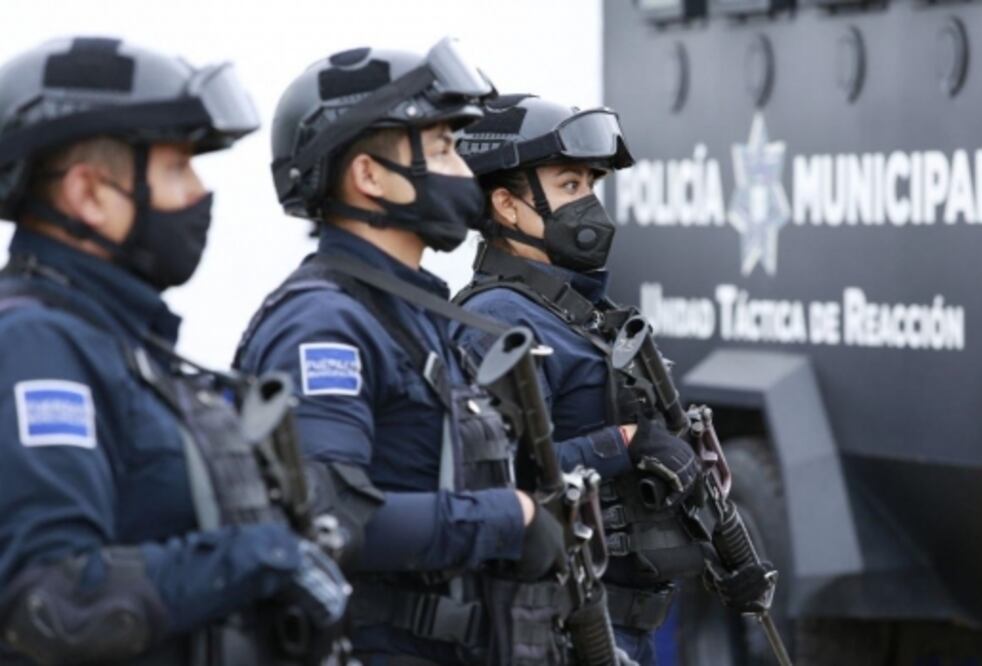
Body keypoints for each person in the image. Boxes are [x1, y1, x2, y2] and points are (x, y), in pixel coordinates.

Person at [235, 39, 626, 665]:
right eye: (442, 148)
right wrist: (511, 517)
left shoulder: (418, 314)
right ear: (368, 176)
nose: (461, 171)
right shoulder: (326, 325)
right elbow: (330, 519)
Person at [0, 37, 350, 665]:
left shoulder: (123, 342)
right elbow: (57, 606)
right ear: (88, 193)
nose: (198, 194)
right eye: (176, 169)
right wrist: (266, 555)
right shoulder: (37, 345)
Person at [453, 94, 776, 665]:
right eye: (569, 185)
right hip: (564, 626)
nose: (589, 204)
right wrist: (626, 444)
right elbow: (504, 479)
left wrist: (729, 553)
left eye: (591, 185)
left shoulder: (577, 311)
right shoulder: (498, 320)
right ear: (506, 205)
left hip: (627, 626)